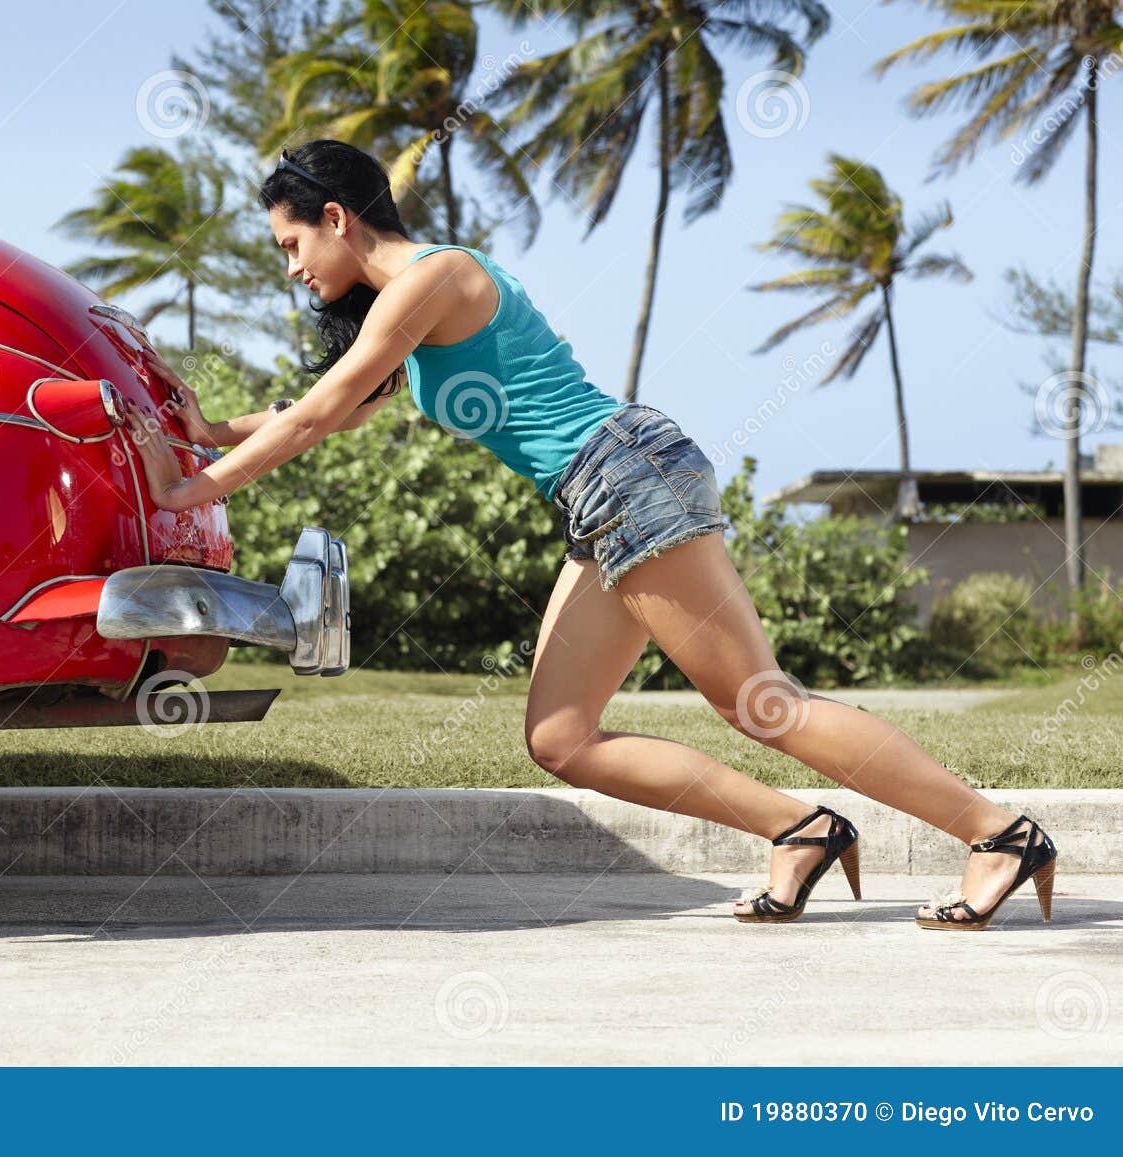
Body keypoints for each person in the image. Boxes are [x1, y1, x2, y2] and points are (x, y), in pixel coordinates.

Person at [120, 139, 1057, 930]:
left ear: (335, 217)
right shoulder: (400, 324)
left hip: (626, 471)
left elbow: (316, 416)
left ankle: (999, 832)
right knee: (563, 737)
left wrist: (183, 489)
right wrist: (206, 432)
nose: (291, 270)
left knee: (761, 704)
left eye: (291, 244)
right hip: (597, 498)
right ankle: (799, 830)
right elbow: (327, 408)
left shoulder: (435, 276)